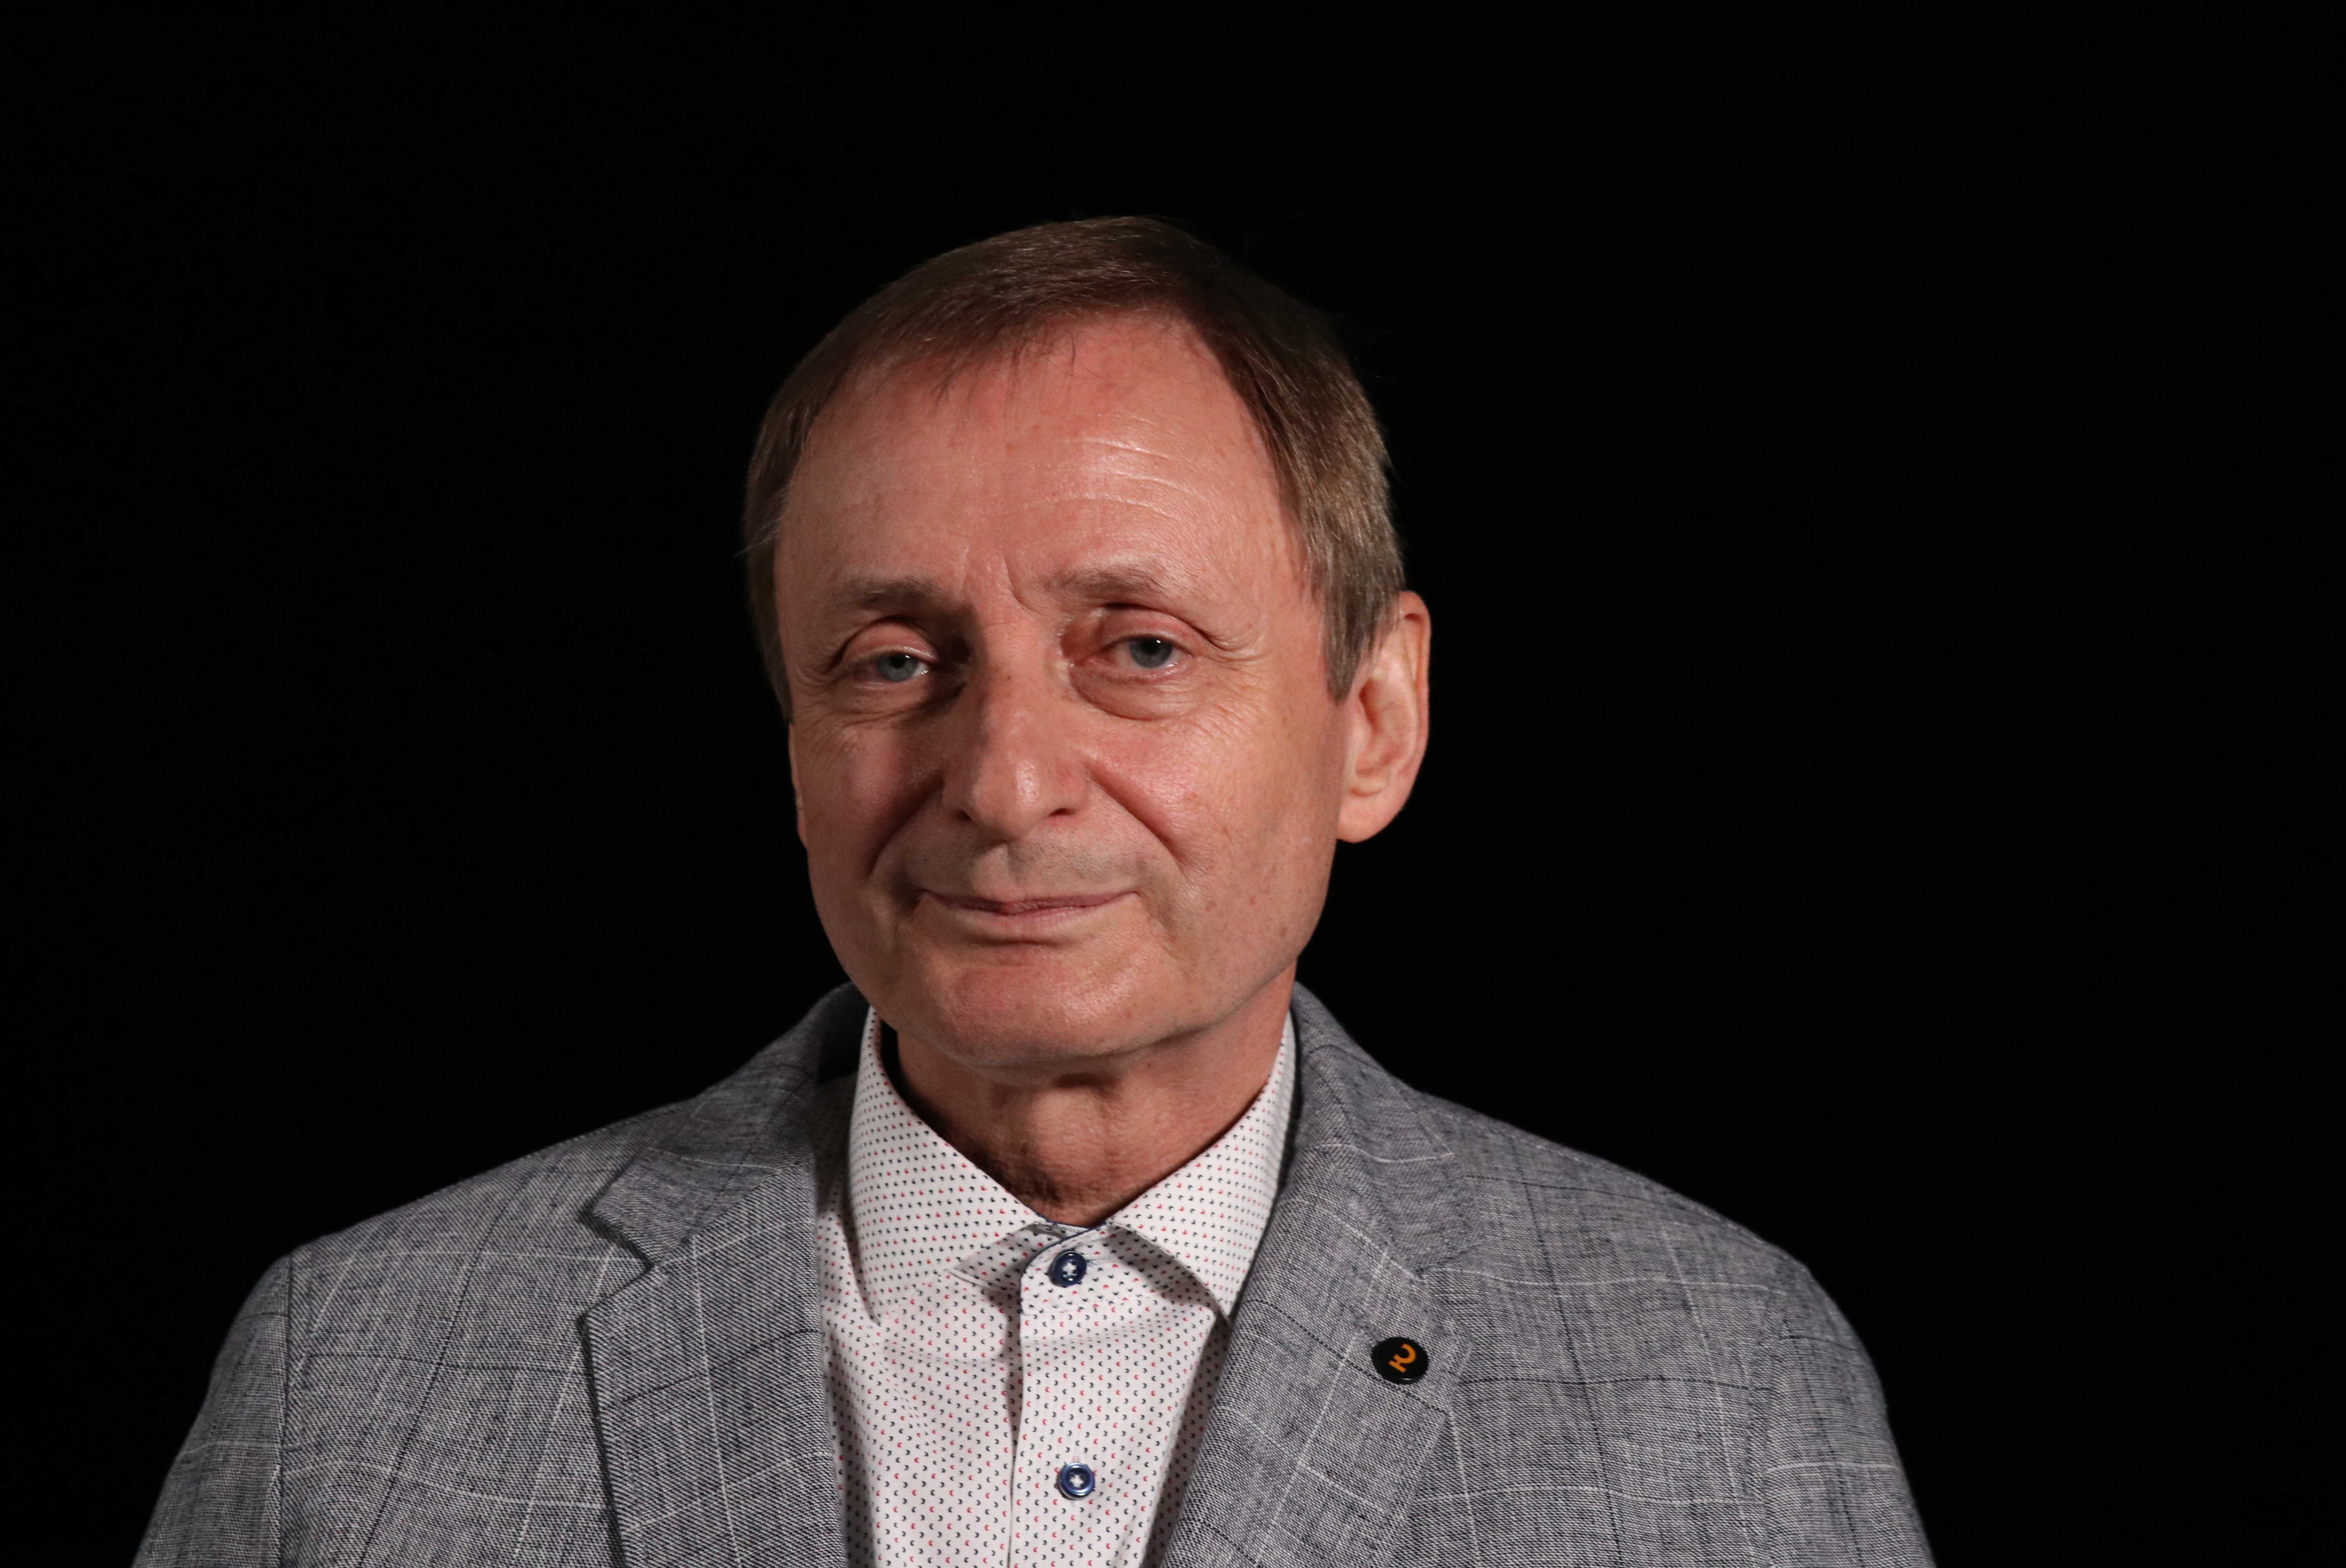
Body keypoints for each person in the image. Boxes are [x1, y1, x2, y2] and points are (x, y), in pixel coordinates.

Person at [138, 217, 1930, 1567]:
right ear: (795, 746)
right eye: (896, 662)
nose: (1002, 781)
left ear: (1375, 721)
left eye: (1138, 647)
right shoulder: (353, 1380)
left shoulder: (1716, 1379)